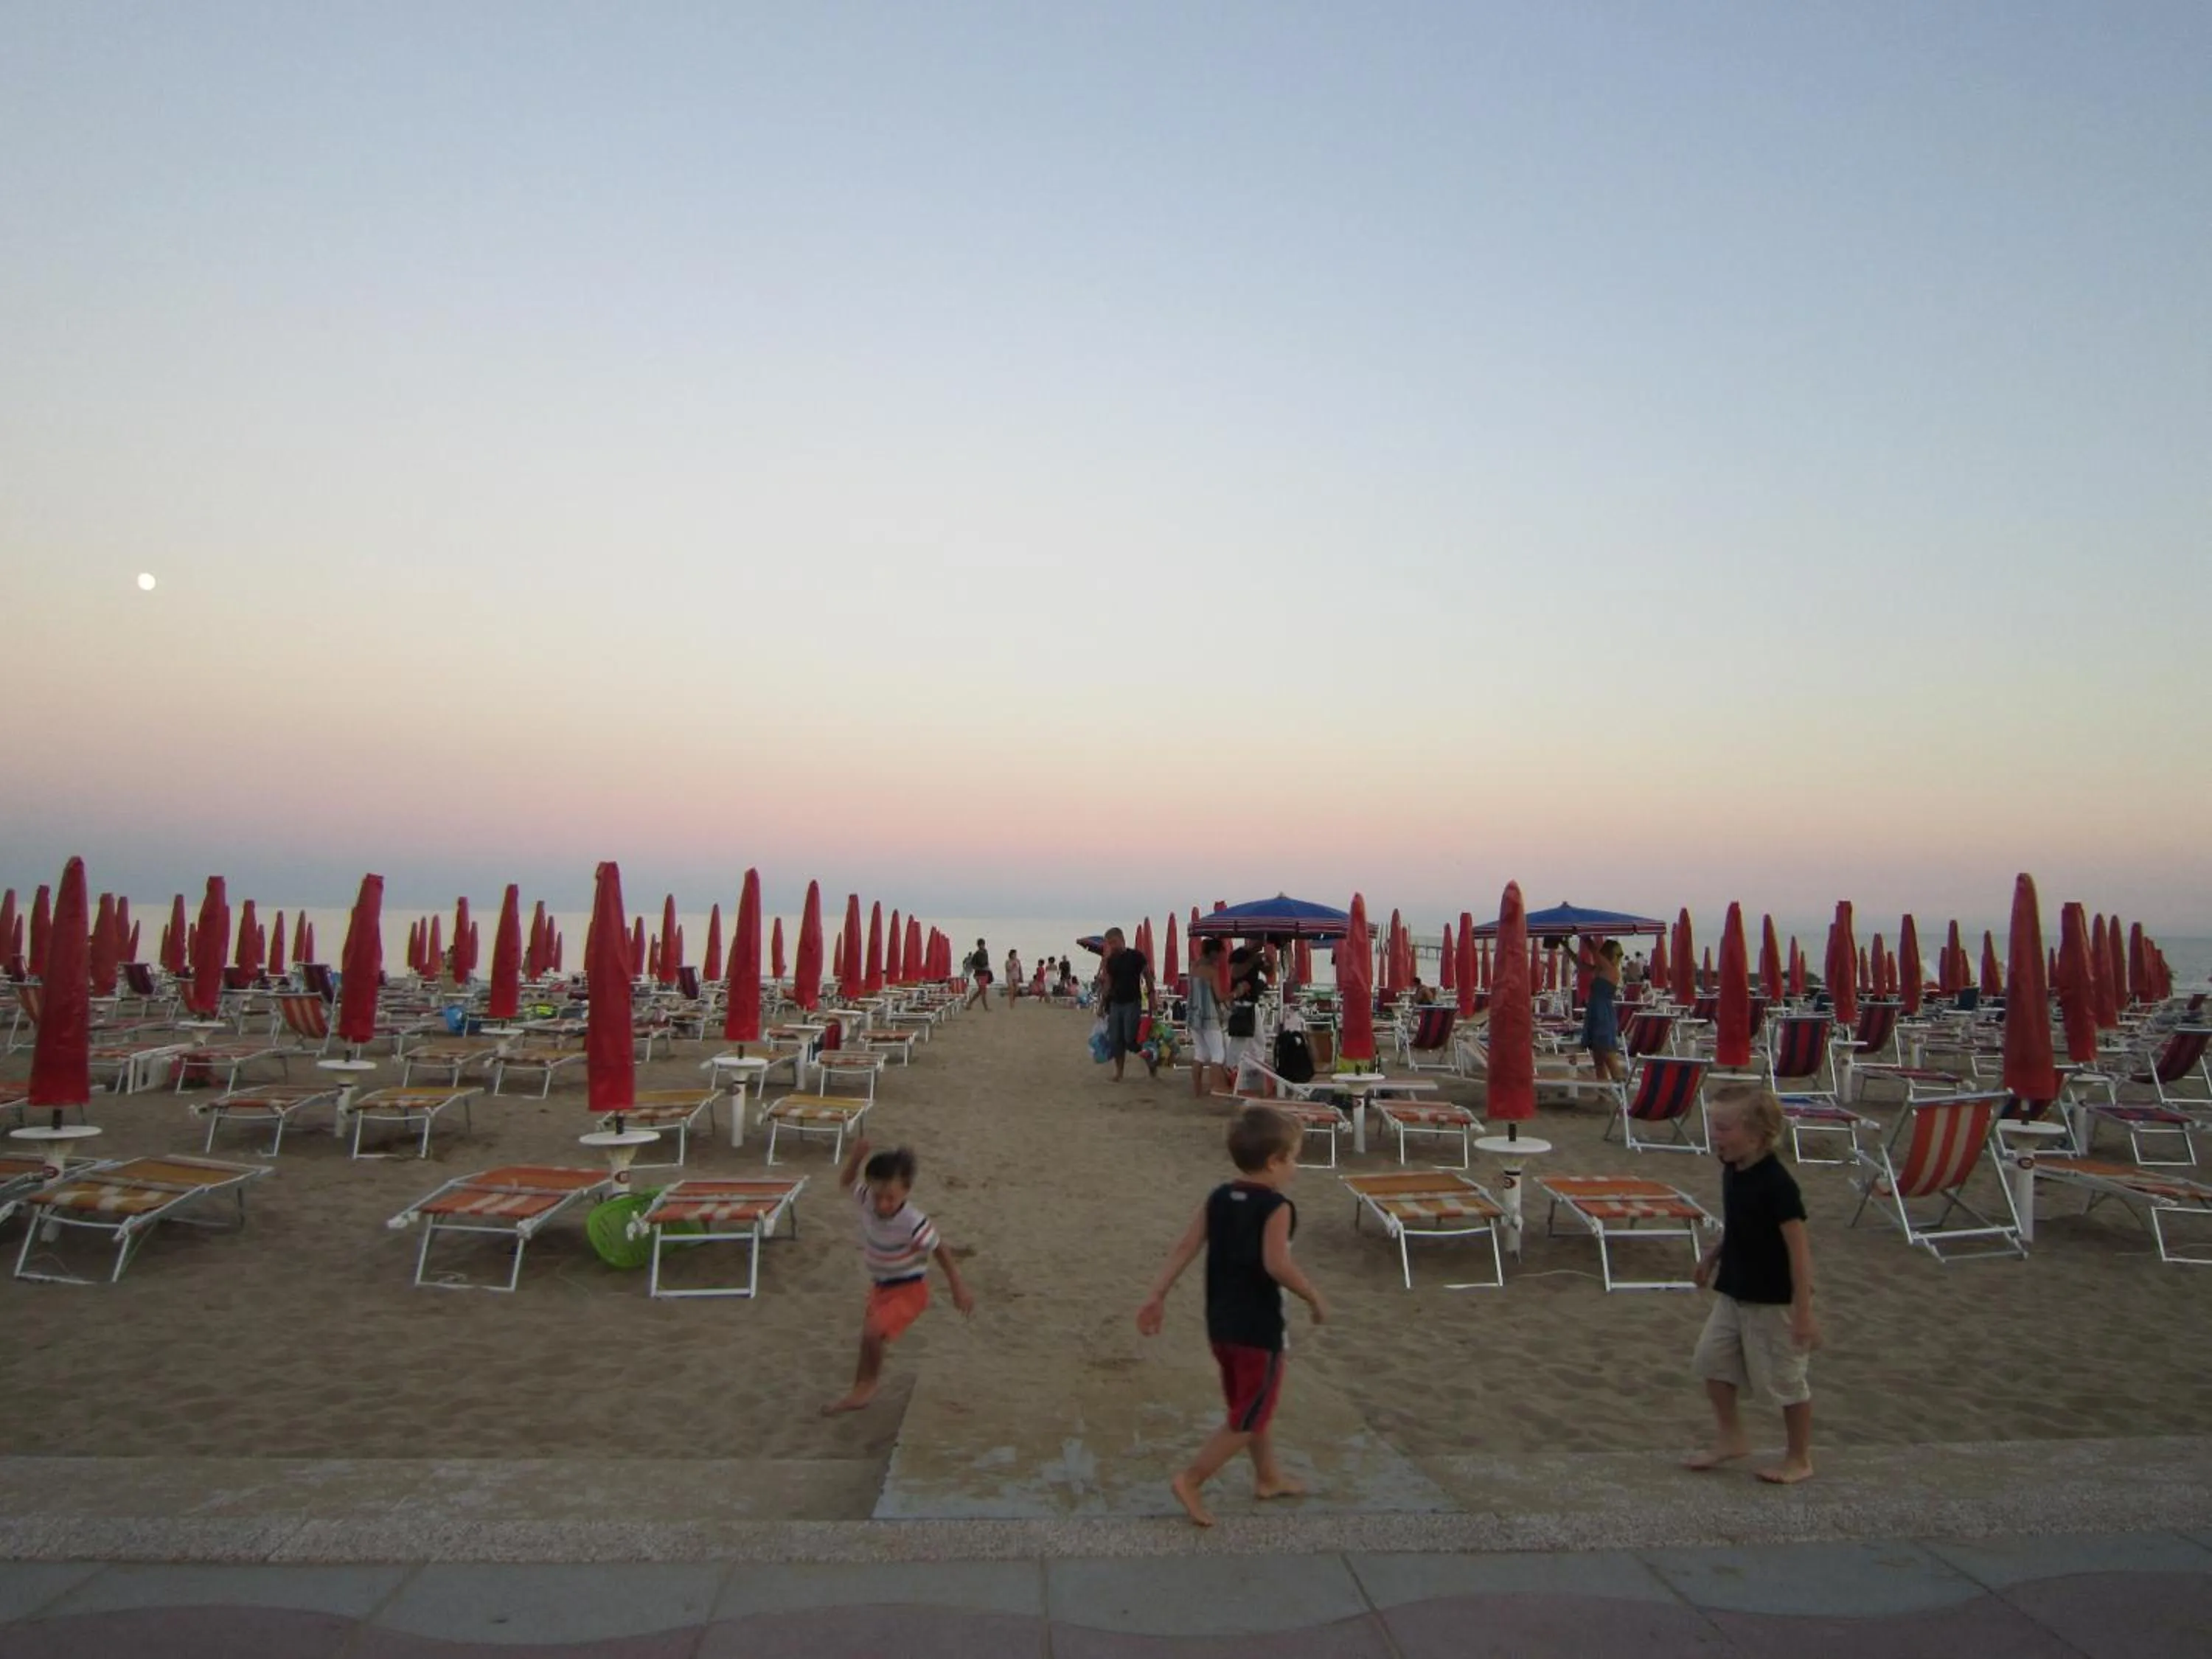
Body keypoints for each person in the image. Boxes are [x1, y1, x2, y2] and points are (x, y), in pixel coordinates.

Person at [1135, 1106, 1325, 1527]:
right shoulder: (1277, 1206)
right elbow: (1277, 1264)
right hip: (1259, 1327)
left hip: (1220, 1323)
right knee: (1249, 1414)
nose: (1295, 1168)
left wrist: (1156, 1294)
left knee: (1249, 1404)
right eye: (1293, 1159)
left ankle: (1268, 1477)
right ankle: (1191, 1480)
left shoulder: (1219, 1197)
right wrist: (1313, 1297)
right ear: (1273, 1161)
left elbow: (1185, 1247)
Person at [1685, 1084, 1819, 1484]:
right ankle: (1732, 1437)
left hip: (1774, 1298)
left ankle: (1799, 1457)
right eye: (1713, 1126)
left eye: (1724, 1128)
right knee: (1712, 1362)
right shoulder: (1733, 1168)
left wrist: (1804, 1313)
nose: (1715, 1135)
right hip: (1734, 1290)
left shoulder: (1778, 1184)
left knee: (1786, 1381)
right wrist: (1712, 1257)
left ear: (1758, 1134)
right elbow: (1740, 1224)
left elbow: (1799, 1252)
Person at [823, 1138, 975, 1413]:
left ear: (906, 1191)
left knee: (873, 1332)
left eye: (890, 1198)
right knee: (869, 1339)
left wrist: (958, 1286)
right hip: (880, 1287)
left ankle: (868, 1387)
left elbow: (940, 1249)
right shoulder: (867, 1200)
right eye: (878, 1196)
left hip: (910, 1290)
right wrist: (856, 1158)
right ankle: (860, 1387)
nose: (883, 1204)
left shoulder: (913, 1222)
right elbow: (846, 1182)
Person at [1096, 926, 1156, 1081]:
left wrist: (1152, 996)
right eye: (1110, 943)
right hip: (1115, 1004)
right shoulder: (1111, 961)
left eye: (1114, 942)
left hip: (1132, 1002)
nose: (1112, 946)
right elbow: (1108, 983)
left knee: (1131, 1039)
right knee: (1116, 1040)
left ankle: (1150, 1059)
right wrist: (1102, 1005)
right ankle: (1119, 1072)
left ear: (1122, 940)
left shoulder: (1136, 956)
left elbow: (1148, 976)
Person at [1571, 935, 1627, 1084]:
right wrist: (1566, 947)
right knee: (1599, 1059)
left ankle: (1621, 1089)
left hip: (1603, 1014)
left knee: (1608, 1054)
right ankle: (1603, 1093)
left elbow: (1594, 952)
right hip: (1596, 1012)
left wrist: (1585, 936)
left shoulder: (1611, 970)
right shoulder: (1602, 969)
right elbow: (1581, 965)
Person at [1186, 937, 1231, 1098]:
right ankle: (1217, 1087)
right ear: (1213, 953)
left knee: (1200, 1053)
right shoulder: (1212, 971)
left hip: (1193, 1015)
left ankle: (1197, 1090)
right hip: (1209, 1017)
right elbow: (1219, 997)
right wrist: (1236, 993)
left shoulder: (1194, 967)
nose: (1220, 958)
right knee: (1218, 1054)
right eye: (1220, 954)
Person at [963, 939, 993, 1012]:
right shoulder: (976, 954)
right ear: (978, 945)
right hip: (979, 975)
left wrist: (987, 969)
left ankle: (969, 1003)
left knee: (981, 991)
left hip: (985, 974)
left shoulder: (985, 952)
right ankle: (986, 1008)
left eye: (983, 945)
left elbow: (986, 963)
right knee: (983, 991)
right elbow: (973, 965)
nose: (982, 946)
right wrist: (981, 968)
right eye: (981, 945)